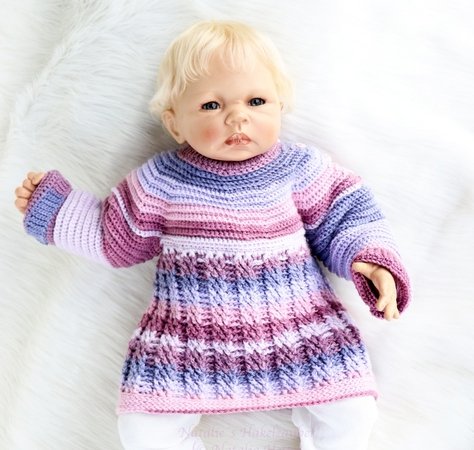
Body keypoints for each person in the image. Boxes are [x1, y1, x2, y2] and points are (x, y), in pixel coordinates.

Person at [14, 20, 410, 450]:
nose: (237, 116)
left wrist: (369, 259)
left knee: (354, 412)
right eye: (210, 105)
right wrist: (57, 209)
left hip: (299, 333)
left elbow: (344, 214)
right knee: (142, 431)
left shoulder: (298, 169)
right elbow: (115, 237)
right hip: (187, 344)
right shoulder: (161, 180)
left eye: (256, 101)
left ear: (280, 106)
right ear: (175, 124)